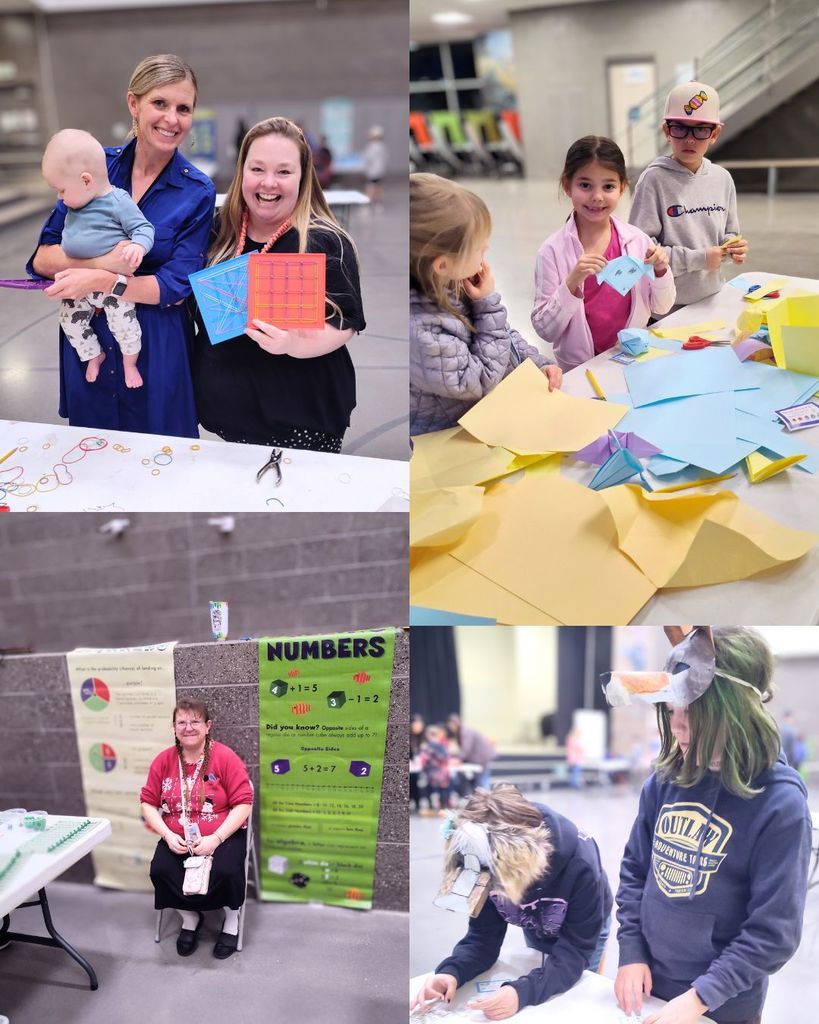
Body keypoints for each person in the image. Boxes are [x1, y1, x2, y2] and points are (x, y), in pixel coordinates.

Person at [613, 627, 811, 1024]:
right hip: (651, 980)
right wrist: (631, 951)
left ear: (736, 710)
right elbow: (635, 870)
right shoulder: (664, 780)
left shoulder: (781, 804)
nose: (678, 728)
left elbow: (773, 932)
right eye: (672, 712)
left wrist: (700, 997)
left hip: (722, 1001)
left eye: (694, 713)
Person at [28, 54, 215, 437]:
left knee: (164, 461)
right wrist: (104, 265)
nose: (172, 119)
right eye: (159, 103)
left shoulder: (196, 191)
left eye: (184, 108)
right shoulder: (93, 166)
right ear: (134, 104)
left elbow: (177, 286)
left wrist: (95, 279)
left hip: (156, 346)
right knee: (93, 456)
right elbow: (43, 257)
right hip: (91, 337)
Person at [193, 117, 365, 453]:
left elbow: (346, 322)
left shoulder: (324, 241)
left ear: (303, 177)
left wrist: (293, 345)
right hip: (228, 415)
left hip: (300, 417)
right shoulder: (217, 232)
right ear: (242, 171)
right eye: (257, 169)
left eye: (284, 172)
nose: (268, 183)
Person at [411, 784, 612, 1020]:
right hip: (537, 921)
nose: (495, 894)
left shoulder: (581, 865)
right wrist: (452, 972)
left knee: (574, 997)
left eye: (500, 886)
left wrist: (522, 993)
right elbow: (482, 938)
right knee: (542, 972)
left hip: (585, 927)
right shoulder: (483, 863)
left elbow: (575, 952)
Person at [410, 173, 562, 437]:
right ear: (442, 264)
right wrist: (487, 304)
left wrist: (536, 364)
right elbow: (478, 380)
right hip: (449, 440)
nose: (487, 248)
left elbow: (503, 335)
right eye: (479, 248)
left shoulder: (453, 281)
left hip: (485, 418)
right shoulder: (423, 330)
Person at [531, 136, 675, 372]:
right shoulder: (551, 251)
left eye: (608, 186)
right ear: (567, 186)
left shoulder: (637, 241)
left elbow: (662, 307)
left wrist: (661, 271)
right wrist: (572, 281)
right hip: (579, 369)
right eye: (585, 185)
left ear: (622, 188)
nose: (597, 196)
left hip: (631, 360)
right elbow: (545, 330)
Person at [41, 129, 155, 389]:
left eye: (60, 190)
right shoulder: (75, 202)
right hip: (81, 285)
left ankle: (129, 363)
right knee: (69, 319)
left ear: (86, 180)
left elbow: (144, 228)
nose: (59, 197)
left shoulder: (116, 202)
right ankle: (93, 354)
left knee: (123, 322)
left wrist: (138, 246)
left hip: (114, 284)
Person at [140, 698, 253, 960]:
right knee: (161, 869)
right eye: (181, 722)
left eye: (195, 721)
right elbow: (147, 802)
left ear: (207, 726)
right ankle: (190, 918)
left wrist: (216, 837)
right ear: (174, 727)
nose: (188, 727)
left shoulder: (225, 757)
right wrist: (167, 835)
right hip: (177, 835)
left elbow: (244, 803)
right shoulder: (164, 760)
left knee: (225, 869)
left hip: (223, 832)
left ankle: (231, 919)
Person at [628, 82, 748, 307]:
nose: (690, 139)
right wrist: (699, 259)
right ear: (667, 131)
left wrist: (732, 246)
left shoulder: (722, 179)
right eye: (680, 128)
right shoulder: (653, 181)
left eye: (701, 129)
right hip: (666, 305)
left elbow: (730, 231)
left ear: (715, 133)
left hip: (713, 296)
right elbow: (642, 252)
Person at [446, 712, 496, 792]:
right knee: (479, 783)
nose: (451, 727)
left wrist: (457, 759)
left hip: (482, 758)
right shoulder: (461, 731)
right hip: (478, 759)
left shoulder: (465, 731)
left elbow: (466, 750)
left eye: (452, 724)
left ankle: (488, 803)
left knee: (482, 782)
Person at [419, 724, 454, 813]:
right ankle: (444, 807)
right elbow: (447, 758)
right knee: (444, 789)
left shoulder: (427, 746)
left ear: (428, 734)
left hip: (432, 773)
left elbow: (424, 760)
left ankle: (432, 807)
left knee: (430, 789)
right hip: (443, 773)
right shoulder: (442, 745)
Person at [364, 125, 387, 203]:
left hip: (373, 170)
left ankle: (367, 201)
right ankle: (378, 200)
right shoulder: (381, 146)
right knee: (377, 185)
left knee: (370, 186)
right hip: (378, 170)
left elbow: (368, 157)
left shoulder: (374, 146)